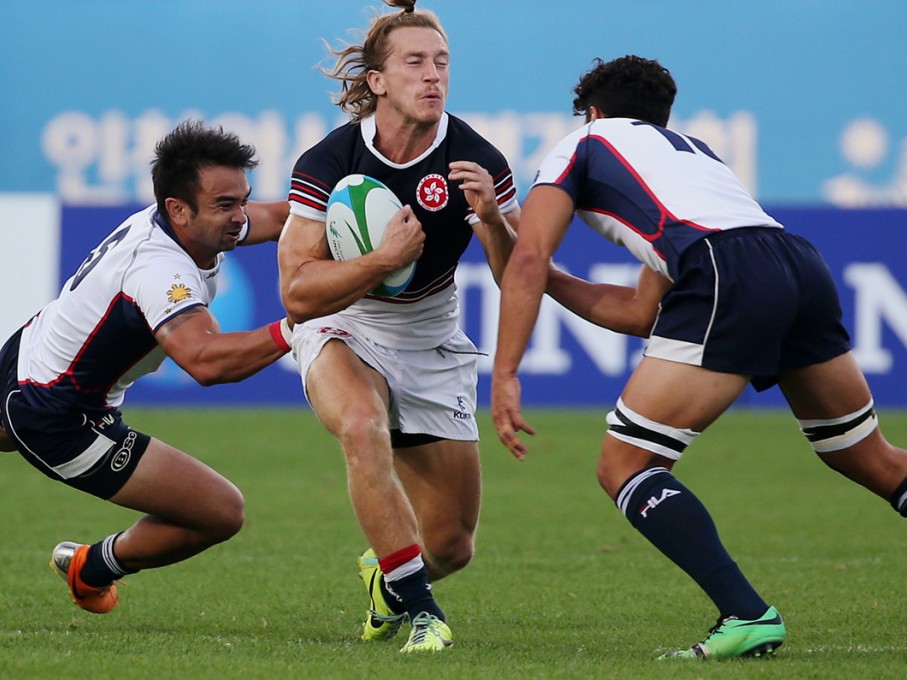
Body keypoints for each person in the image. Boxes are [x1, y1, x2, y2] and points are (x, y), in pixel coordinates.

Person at [491, 55, 907, 660]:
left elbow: (528, 260)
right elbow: (637, 312)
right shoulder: (692, 153)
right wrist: (511, 245)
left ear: (592, 112)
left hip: (726, 270)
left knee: (625, 464)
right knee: (864, 452)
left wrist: (505, 370)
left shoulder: (581, 142)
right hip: (796, 262)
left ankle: (746, 615)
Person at [278, 0, 519, 654]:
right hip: (343, 319)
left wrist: (494, 222)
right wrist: (381, 260)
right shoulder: (330, 160)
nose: (433, 76)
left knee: (451, 543)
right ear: (378, 81)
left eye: (441, 63)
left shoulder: (478, 158)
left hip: (429, 330)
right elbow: (296, 292)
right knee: (361, 425)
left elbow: (517, 279)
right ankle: (422, 614)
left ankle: (388, 577)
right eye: (414, 63)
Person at [0, 119, 293, 615]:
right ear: (178, 210)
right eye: (226, 205)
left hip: (32, 353)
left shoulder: (185, 221)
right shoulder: (160, 271)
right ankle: (90, 568)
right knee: (221, 511)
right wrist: (300, 325)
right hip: (60, 415)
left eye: (242, 199)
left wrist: (365, 212)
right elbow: (205, 362)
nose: (241, 216)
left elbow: (286, 219)